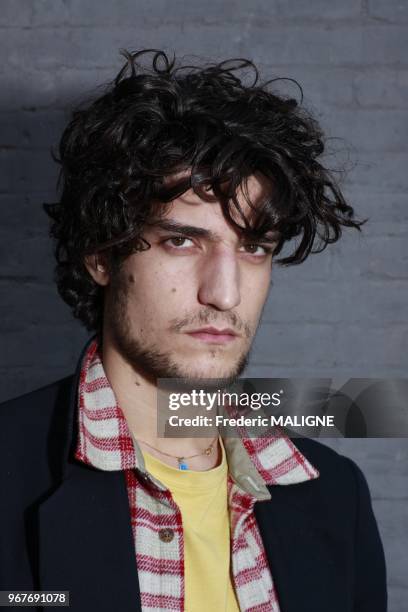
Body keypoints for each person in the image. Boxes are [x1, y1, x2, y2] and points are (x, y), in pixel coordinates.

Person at [0, 49, 387, 611]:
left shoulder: (335, 493)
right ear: (101, 256)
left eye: (253, 247)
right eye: (181, 241)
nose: (225, 294)